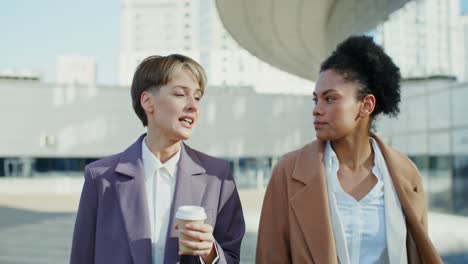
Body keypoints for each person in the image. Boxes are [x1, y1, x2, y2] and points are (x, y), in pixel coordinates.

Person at [256, 36, 442, 263]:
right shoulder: (288, 172)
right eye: (316, 100)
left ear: (366, 106)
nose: (317, 109)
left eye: (330, 99)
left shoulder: (406, 174)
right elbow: (270, 257)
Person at [70, 54, 245, 264]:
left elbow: (232, 258)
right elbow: (82, 257)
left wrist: (210, 251)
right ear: (148, 102)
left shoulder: (218, 177)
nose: (193, 106)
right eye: (181, 94)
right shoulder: (100, 177)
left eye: (197, 97)